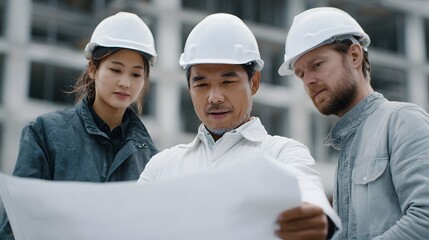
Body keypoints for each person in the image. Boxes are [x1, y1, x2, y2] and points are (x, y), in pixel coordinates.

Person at [138, 13, 341, 239]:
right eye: (202, 84)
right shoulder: (161, 167)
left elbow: (307, 193)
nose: (214, 97)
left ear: (253, 82)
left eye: (228, 82)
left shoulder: (282, 154)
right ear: (189, 88)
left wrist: (316, 216)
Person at [0, 12, 159, 239]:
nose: (126, 82)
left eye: (136, 74)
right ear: (93, 70)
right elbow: (16, 226)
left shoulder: (152, 160)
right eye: (115, 69)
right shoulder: (45, 133)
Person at [278, 7, 429, 239]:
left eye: (317, 65)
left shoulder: (403, 121)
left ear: (355, 56)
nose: (309, 80)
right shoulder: (348, 146)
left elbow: (425, 220)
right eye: (300, 74)